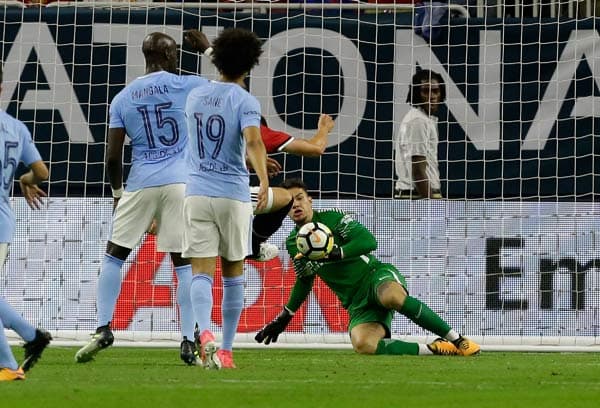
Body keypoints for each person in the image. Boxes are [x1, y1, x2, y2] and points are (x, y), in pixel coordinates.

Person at [75, 32, 213, 366]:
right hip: (180, 183)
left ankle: (103, 328)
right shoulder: (187, 85)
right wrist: (207, 49)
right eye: (176, 53)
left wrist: (117, 195)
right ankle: (186, 339)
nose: (178, 58)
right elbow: (230, 87)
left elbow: (112, 156)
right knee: (183, 263)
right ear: (167, 56)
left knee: (115, 254)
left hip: (140, 182)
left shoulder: (122, 98)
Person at [255, 178, 480, 357]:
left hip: (375, 277)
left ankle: (457, 339)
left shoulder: (333, 219)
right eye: (290, 202)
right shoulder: (294, 243)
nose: (296, 204)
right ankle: (433, 349)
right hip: (356, 302)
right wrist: (285, 316)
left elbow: (370, 241)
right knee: (364, 345)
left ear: (310, 200)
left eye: (300, 198)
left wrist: (338, 252)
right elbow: (305, 280)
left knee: (391, 296)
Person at [183, 29, 336, 262]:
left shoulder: (199, 100)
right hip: (232, 194)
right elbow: (316, 148)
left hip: (193, 192)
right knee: (286, 197)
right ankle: (254, 244)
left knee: (195, 268)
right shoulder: (259, 128)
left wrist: (208, 50)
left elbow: (230, 83)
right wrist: (324, 128)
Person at [183, 27, 269, 370]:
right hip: (232, 194)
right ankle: (228, 350)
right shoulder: (246, 101)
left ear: (216, 59)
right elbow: (253, 142)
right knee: (233, 273)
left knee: (200, 271)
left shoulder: (195, 96)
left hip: (197, 192)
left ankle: (205, 333)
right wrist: (262, 180)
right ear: (251, 64)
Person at [0, 64, 52, 381]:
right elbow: (42, 173)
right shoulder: (16, 128)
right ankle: (32, 336)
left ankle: (7, 365)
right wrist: (25, 178)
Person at [394, 69, 445, 199]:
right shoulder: (418, 121)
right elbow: (418, 171)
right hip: (416, 198)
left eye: (435, 91)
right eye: (425, 91)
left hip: (417, 196)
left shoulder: (422, 119)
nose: (431, 96)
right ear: (416, 93)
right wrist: (431, 205)